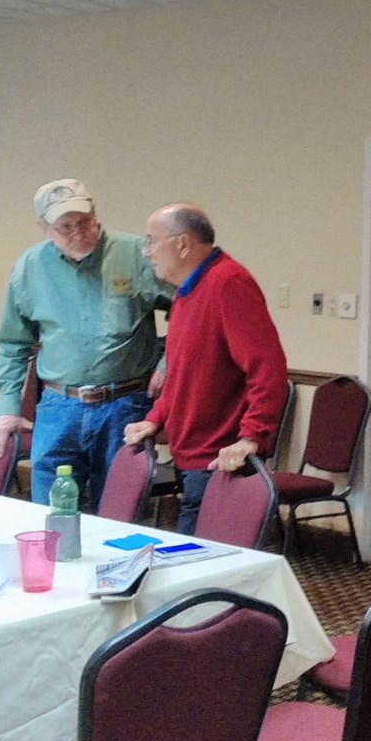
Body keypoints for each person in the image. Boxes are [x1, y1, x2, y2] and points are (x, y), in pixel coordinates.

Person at [0, 178, 169, 506]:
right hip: (59, 406)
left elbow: (191, 308)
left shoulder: (136, 254)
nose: (78, 232)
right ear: (44, 228)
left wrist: (170, 362)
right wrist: (7, 407)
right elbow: (13, 343)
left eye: (84, 222)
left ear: (95, 214)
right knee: (50, 510)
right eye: (65, 226)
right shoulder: (30, 267)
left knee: (117, 511)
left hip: (125, 404)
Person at [122, 203, 289, 535]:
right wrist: (155, 418)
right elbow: (182, 376)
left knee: (198, 562)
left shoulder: (228, 283)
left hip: (220, 461)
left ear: (183, 244)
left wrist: (251, 436)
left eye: (151, 241)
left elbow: (268, 369)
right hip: (193, 459)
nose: (147, 252)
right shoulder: (187, 291)